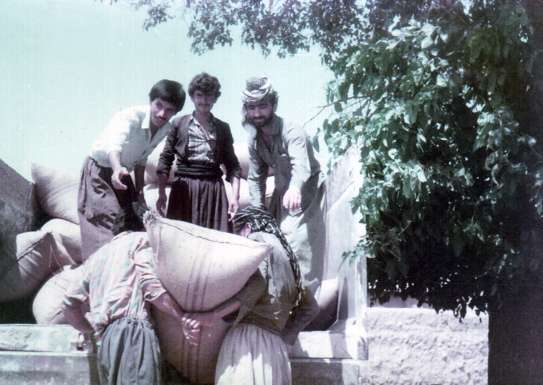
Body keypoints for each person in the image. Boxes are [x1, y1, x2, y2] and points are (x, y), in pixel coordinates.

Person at [62, 203, 198, 385]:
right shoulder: (141, 240)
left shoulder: (96, 257)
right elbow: (151, 285)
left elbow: (68, 304)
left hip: (106, 342)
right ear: (145, 225)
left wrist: (89, 328)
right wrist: (181, 318)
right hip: (133, 334)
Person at [182, 206, 319, 385]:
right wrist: (286, 335)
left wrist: (212, 316)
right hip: (275, 348)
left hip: (248, 344)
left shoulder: (256, 239)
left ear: (248, 227)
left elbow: (257, 283)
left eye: (238, 234)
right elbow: (311, 307)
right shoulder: (288, 255)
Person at [78, 79, 186, 260]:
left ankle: (128, 272)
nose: (161, 114)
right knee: (108, 222)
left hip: (123, 174)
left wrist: (140, 191)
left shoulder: (165, 129)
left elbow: (141, 160)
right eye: (158, 105)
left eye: (169, 111)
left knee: (132, 224)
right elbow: (115, 145)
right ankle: (100, 273)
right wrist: (117, 168)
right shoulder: (130, 116)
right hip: (101, 171)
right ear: (150, 101)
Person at [242, 76, 325, 295]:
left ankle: (306, 303)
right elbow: (255, 177)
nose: (257, 114)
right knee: (268, 241)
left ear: (274, 105)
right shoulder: (254, 140)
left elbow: (302, 166)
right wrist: (258, 210)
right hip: (282, 195)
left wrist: (295, 187)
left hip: (306, 191)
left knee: (296, 242)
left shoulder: (292, 131)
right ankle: (280, 301)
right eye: (252, 108)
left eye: (262, 106)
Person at [156, 72, 242, 232]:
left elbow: (233, 166)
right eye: (199, 95)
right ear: (192, 97)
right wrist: (161, 193)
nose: (204, 101)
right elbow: (165, 161)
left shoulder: (223, 128)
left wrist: (235, 198)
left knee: (216, 240)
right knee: (181, 241)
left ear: (216, 98)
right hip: (183, 189)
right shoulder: (178, 123)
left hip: (213, 190)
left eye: (209, 96)